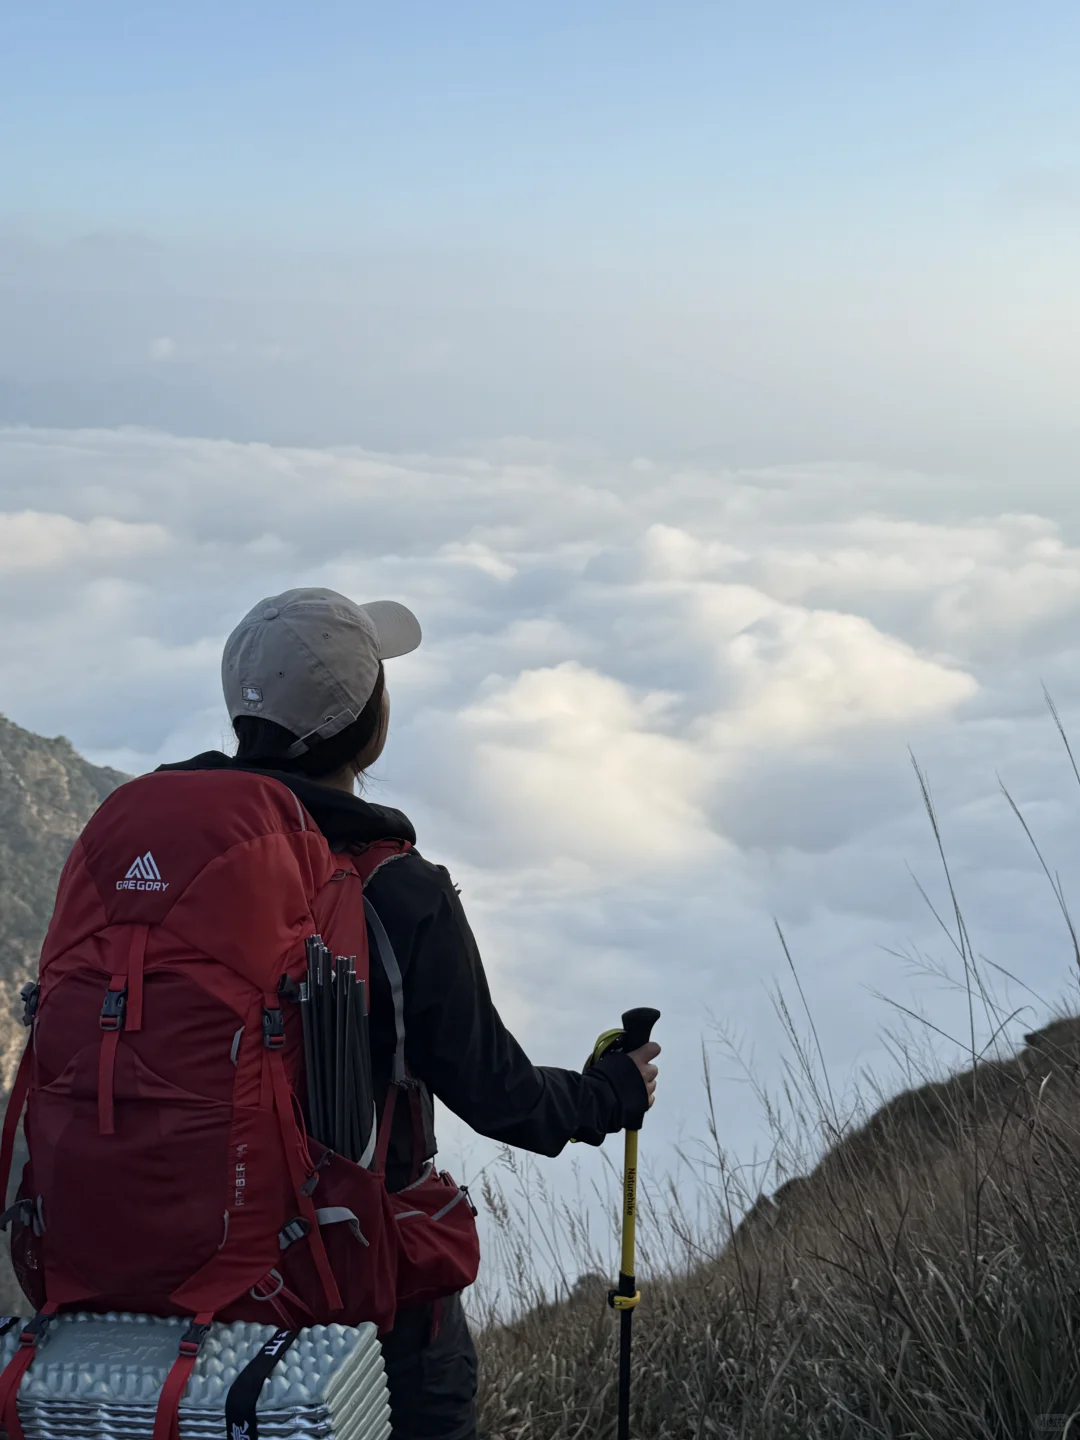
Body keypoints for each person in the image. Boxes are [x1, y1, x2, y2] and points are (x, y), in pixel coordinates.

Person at [159, 586, 661, 1440]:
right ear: (369, 726)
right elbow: (504, 1097)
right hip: (364, 1287)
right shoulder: (397, 890)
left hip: (184, 1269)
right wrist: (610, 1094)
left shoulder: (172, 857)